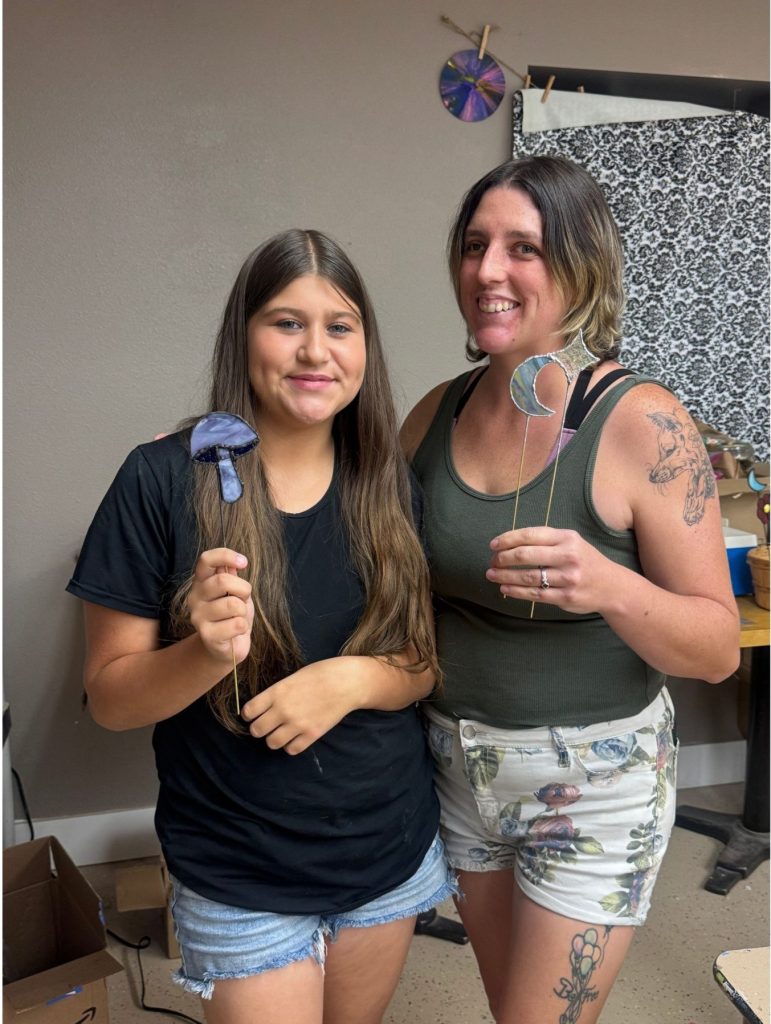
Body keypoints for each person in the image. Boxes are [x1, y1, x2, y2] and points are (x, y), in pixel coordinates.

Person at [67, 229, 455, 1024]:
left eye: (339, 327)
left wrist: (346, 680)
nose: (315, 351)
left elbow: (419, 662)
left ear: (364, 348)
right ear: (242, 333)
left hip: (387, 846)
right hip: (242, 867)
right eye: (286, 322)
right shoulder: (158, 480)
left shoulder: (385, 480)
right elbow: (109, 700)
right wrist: (203, 652)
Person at [400, 156, 740, 1024]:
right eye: (474, 246)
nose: (487, 270)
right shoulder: (432, 414)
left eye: (523, 247)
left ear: (580, 265)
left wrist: (609, 585)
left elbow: (713, 647)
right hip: (455, 769)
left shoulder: (641, 422)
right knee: (504, 1003)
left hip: (595, 783)